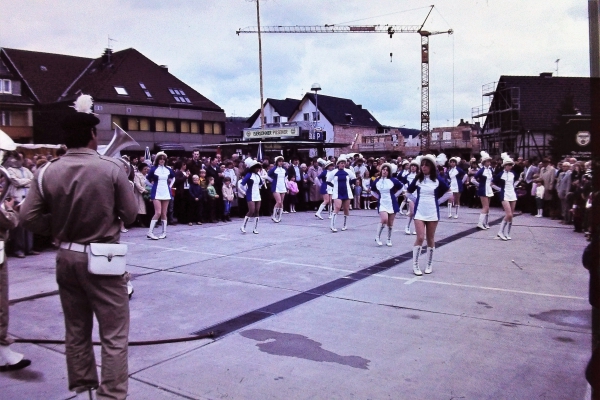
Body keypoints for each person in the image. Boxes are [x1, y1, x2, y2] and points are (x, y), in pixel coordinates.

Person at [20, 94, 137, 398]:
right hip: (103, 257)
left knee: (76, 329)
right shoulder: (111, 168)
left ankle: (84, 386)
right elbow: (131, 214)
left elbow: (27, 216)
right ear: (91, 135)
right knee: (113, 335)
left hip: (66, 256)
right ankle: (111, 395)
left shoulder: (47, 170)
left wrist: (57, 227)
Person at [406, 154, 450, 276]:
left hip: (432, 211)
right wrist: (417, 201)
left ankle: (429, 264)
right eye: (423, 165)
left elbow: (448, 193)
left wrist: (438, 202)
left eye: (426, 165)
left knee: (430, 238)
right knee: (420, 237)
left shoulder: (437, 180)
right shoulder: (418, 179)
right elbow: (408, 193)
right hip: (420, 211)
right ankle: (415, 265)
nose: (424, 167)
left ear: (431, 167)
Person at [371, 163, 404, 246]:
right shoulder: (377, 181)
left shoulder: (393, 180)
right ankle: (377, 237)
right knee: (384, 219)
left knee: (390, 222)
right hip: (382, 202)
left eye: (387, 170)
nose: (385, 171)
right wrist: (378, 197)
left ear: (389, 172)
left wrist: (395, 196)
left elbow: (401, 188)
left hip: (392, 203)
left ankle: (388, 239)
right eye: (383, 169)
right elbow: (372, 190)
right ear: (381, 170)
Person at [146, 152, 175, 239]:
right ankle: (150, 232)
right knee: (158, 212)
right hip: (156, 192)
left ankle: (164, 233)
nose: (162, 160)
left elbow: (173, 177)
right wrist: (152, 186)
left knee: (164, 213)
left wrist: (170, 186)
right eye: (160, 159)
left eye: (163, 159)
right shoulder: (153, 169)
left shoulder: (168, 169)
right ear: (157, 160)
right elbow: (146, 180)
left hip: (166, 191)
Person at [326, 155, 356, 232]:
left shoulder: (348, 171)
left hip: (346, 192)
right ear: (338, 164)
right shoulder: (334, 172)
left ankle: (345, 225)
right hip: (337, 192)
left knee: (346, 209)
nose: (343, 164)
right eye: (341, 163)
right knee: (337, 207)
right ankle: (332, 225)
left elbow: (354, 178)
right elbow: (328, 181)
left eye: (344, 163)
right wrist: (334, 186)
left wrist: (349, 185)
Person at [494, 153, 517, 240]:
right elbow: (492, 183)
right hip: (504, 194)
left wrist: (514, 186)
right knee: (509, 214)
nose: (510, 167)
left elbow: (516, 181)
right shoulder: (500, 174)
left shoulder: (513, 173)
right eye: (508, 165)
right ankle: (500, 232)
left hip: (513, 194)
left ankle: (507, 233)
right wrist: (499, 189)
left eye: (511, 165)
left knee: (511, 215)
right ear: (504, 165)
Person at [240, 158, 263, 234]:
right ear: (253, 168)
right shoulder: (249, 175)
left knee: (257, 211)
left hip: (257, 194)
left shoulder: (258, 175)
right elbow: (241, 184)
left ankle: (255, 228)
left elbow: (261, 184)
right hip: (250, 194)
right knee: (251, 211)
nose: (257, 169)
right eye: (256, 167)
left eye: (258, 168)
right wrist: (245, 191)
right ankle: (243, 226)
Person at [475, 151, 495, 230]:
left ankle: (486, 223)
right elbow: (473, 179)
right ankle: (480, 223)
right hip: (483, 190)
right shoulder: (481, 170)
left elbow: (491, 180)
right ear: (484, 162)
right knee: (485, 207)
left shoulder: (490, 170)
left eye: (489, 161)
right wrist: (479, 185)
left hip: (489, 189)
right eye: (487, 161)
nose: (489, 162)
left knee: (488, 208)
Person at [401, 158, 420, 235]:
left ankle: (416, 228)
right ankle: (407, 226)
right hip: (411, 196)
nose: (413, 167)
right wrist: (405, 191)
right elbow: (402, 185)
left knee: (417, 213)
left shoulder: (419, 176)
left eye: (415, 166)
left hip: (418, 195)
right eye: (412, 166)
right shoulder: (407, 176)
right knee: (412, 212)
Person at [268, 156, 288, 222]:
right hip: (276, 187)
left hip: (283, 186)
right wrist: (272, 181)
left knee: (281, 202)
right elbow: (268, 176)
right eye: (279, 161)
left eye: (282, 161)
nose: (281, 163)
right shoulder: (273, 169)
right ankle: (273, 216)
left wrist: (287, 186)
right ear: (277, 162)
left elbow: (286, 178)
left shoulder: (284, 169)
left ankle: (279, 217)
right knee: (278, 201)